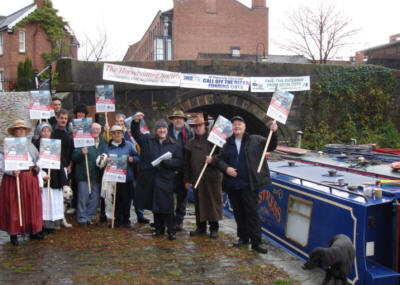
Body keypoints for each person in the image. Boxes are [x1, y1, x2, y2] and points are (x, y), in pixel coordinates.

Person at [216, 116, 278, 254]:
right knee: (238, 213)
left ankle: (256, 242)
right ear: (232, 128)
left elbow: (271, 145)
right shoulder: (227, 143)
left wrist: (273, 132)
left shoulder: (255, 140)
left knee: (252, 214)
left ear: (245, 127)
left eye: (239, 124)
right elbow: (219, 160)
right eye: (234, 125)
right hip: (233, 185)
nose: (237, 126)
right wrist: (226, 169)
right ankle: (243, 238)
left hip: (249, 184)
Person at [131, 113, 183, 240]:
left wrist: (167, 163)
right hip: (151, 178)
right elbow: (136, 133)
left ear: (167, 129)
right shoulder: (148, 140)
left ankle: (171, 230)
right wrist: (136, 121)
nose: (161, 130)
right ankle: (159, 228)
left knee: (167, 206)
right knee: (156, 205)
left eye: (164, 128)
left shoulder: (173, 144)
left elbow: (179, 161)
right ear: (156, 130)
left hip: (166, 178)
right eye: (159, 128)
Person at [0, 120, 44, 245]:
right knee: (14, 206)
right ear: (14, 131)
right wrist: (11, 171)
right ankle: (13, 234)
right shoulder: (7, 146)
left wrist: (36, 170)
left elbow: (37, 161)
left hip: (30, 179)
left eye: (23, 129)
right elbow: (2, 164)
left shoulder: (30, 145)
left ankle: (33, 231)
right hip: (14, 180)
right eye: (18, 129)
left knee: (31, 204)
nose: (20, 131)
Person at [184, 114, 223, 238]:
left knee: (212, 203)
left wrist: (213, 159)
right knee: (199, 204)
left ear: (205, 126)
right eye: (195, 126)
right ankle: (200, 227)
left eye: (199, 126)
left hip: (212, 178)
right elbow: (187, 164)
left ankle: (214, 227)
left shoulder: (215, 141)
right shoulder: (190, 143)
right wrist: (187, 180)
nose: (197, 128)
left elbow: (223, 156)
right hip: (197, 178)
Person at [114, 113, 149, 224]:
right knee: (125, 194)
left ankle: (140, 214)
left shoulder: (131, 133)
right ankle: (124, 216)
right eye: (118, 121)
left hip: (136, 166)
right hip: (122, 169)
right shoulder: (113, 134)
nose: (120, 123)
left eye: (122, 121)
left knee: (138, 190)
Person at [34, 122, 67, 234]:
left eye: (48, 131)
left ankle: (52, 225)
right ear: (40, 132)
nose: (46, 133)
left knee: (53, 200)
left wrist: (63, 179)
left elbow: (60, 160)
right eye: (44, 131)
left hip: (54, 175)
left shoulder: (55, 144)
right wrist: (41, 175)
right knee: (44, 201)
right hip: (42, 175)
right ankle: (43, 225)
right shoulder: (36, 144)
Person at [104, 125, 139, 228]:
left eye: (118, 133)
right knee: (116, 199)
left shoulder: (128, 145)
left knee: (126, 200)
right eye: (114, 133)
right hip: (113, 177)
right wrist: (105, 159)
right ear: (111, 134)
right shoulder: (107, 146)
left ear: (122, 134)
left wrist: (132, 159)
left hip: (126, 177)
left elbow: (137, 156)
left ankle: (126, 219)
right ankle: (117, 219)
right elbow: (103, 157)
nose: (116, 135)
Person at [72, 123, 106, 226]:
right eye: (93, 129)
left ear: (100, 130)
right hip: (84, 175)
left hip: (96, 175)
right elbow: (74, 157)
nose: (95, 131)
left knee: (95, 198)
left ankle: (90, 217)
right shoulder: (83, 141)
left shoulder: (102, 141)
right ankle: (82, 218)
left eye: (97, 129)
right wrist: (81, 153)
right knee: (83, 198)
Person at [167, 110, 192, 231]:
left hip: (183, 169)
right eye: (176, 118)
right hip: (169, 168)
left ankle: (179, 221)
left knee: (182, 197)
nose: (178, 120)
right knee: (167, 196)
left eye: (180, 118)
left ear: (184, 121)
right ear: (172, 120)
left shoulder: (189, 132)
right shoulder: (166, 131)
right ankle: (169, 220)